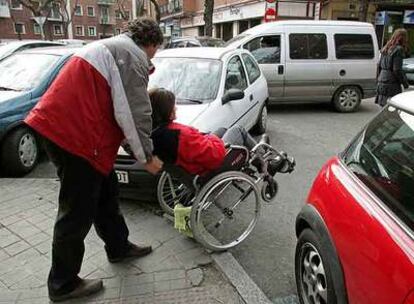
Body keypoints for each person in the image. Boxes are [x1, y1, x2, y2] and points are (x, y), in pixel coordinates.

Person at [24, 18, 164, 302]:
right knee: (76, 210)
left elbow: (117, 107)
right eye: (155, 50)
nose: (153, 56)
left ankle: (118, 246)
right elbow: (136, 112)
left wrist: (132, 145)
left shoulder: (110, 47)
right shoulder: (132, 56)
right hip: (76, 137)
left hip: (65, 130)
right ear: (151, 43)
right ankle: (63, 284)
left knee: (106, 191)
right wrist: (146, 156)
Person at [148, 88, 289, 176]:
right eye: (173, 106)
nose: (176, 109)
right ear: (167, 111)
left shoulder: (157, 134)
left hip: (191, 165)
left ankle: (259, 157)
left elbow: (193, 147)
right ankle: (266, 164)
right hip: (211, 165)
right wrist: (211, 139)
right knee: (238, 130)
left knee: (222, 130)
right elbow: (213, 154)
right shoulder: (179, 134)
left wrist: (207, 136)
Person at [376, 28, 410, 107]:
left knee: (383, 108)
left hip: (382, 82)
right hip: (391, 84)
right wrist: (405, 83)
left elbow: (379, 65)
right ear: (402, 38)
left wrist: (378, 79)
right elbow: (397, 69)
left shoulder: (385, 48)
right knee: (392, 108)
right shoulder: (398, 50)